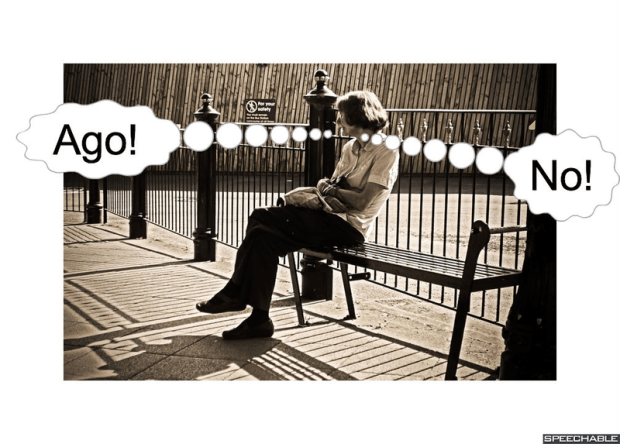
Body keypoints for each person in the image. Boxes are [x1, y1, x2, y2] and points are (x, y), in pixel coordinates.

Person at [195, 90, 400, 339]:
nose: (337, 121)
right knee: (262, 238)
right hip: (326, 217)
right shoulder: (350, 148)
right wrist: (328, 188)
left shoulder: (386, 150)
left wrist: (332, 190)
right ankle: (259, 320)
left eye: (342, 115)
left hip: (348, 228)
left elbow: (363, 202)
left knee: (261, 216)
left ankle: (235, 291)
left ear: (358, 116)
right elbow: (337, 187)